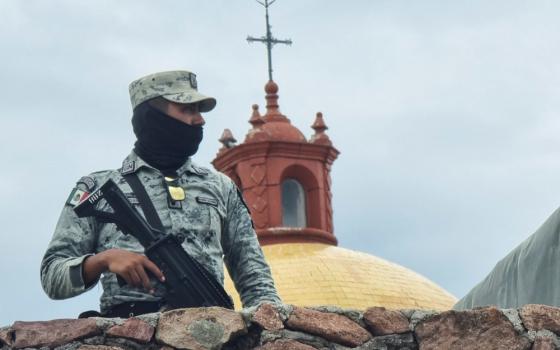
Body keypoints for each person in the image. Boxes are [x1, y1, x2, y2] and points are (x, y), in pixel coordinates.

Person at [41, 70, 281, 317]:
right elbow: (52, 276)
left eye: (199, 110)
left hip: (211, 330)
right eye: (187, 109)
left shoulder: (221, 187)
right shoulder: (97, 188)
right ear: (152, 117)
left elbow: (255, 278)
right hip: (130, 333)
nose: (199, 120)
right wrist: (103, 260)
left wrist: (271, 329)